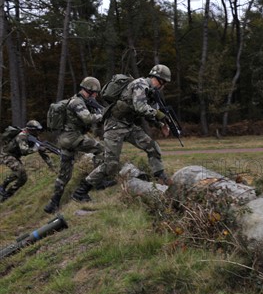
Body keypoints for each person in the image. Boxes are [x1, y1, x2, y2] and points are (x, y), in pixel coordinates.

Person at [71, 65, 173, 202]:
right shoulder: (140, 84)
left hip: (129, 126)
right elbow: (141, 107)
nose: (164, 87)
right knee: (111, 163)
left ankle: (161, 177)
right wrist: (159, 114)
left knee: (152, 147)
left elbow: (146, 112)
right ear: (158, 80)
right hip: (115, 126)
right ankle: (81, 191)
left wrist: (160, 125)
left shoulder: (150, 92)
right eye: (164, 83)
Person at [43, 77, 106, 213]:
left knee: (64, 175)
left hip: (66, 140)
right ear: (89, 90)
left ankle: (53, 203)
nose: (96, 95)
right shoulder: (77, 102)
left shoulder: (78, 100)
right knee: (102, 149)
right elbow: (87, 119)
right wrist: (102, 115)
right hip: (73, 138)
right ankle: (95, 183)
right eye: (95, 92)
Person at [0, 120, 55, 202]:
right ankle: (3, 187)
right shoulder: (22, 136)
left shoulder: (34, 137)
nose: (38, 132)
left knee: (23, 178)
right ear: (31, 130)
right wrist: (36, 148)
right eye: (37, 130)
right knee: (20, 170)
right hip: (7, 155)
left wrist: (51, 166)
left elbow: (42, 153)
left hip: (15, 156)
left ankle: (7, 194)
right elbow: (24, 151)